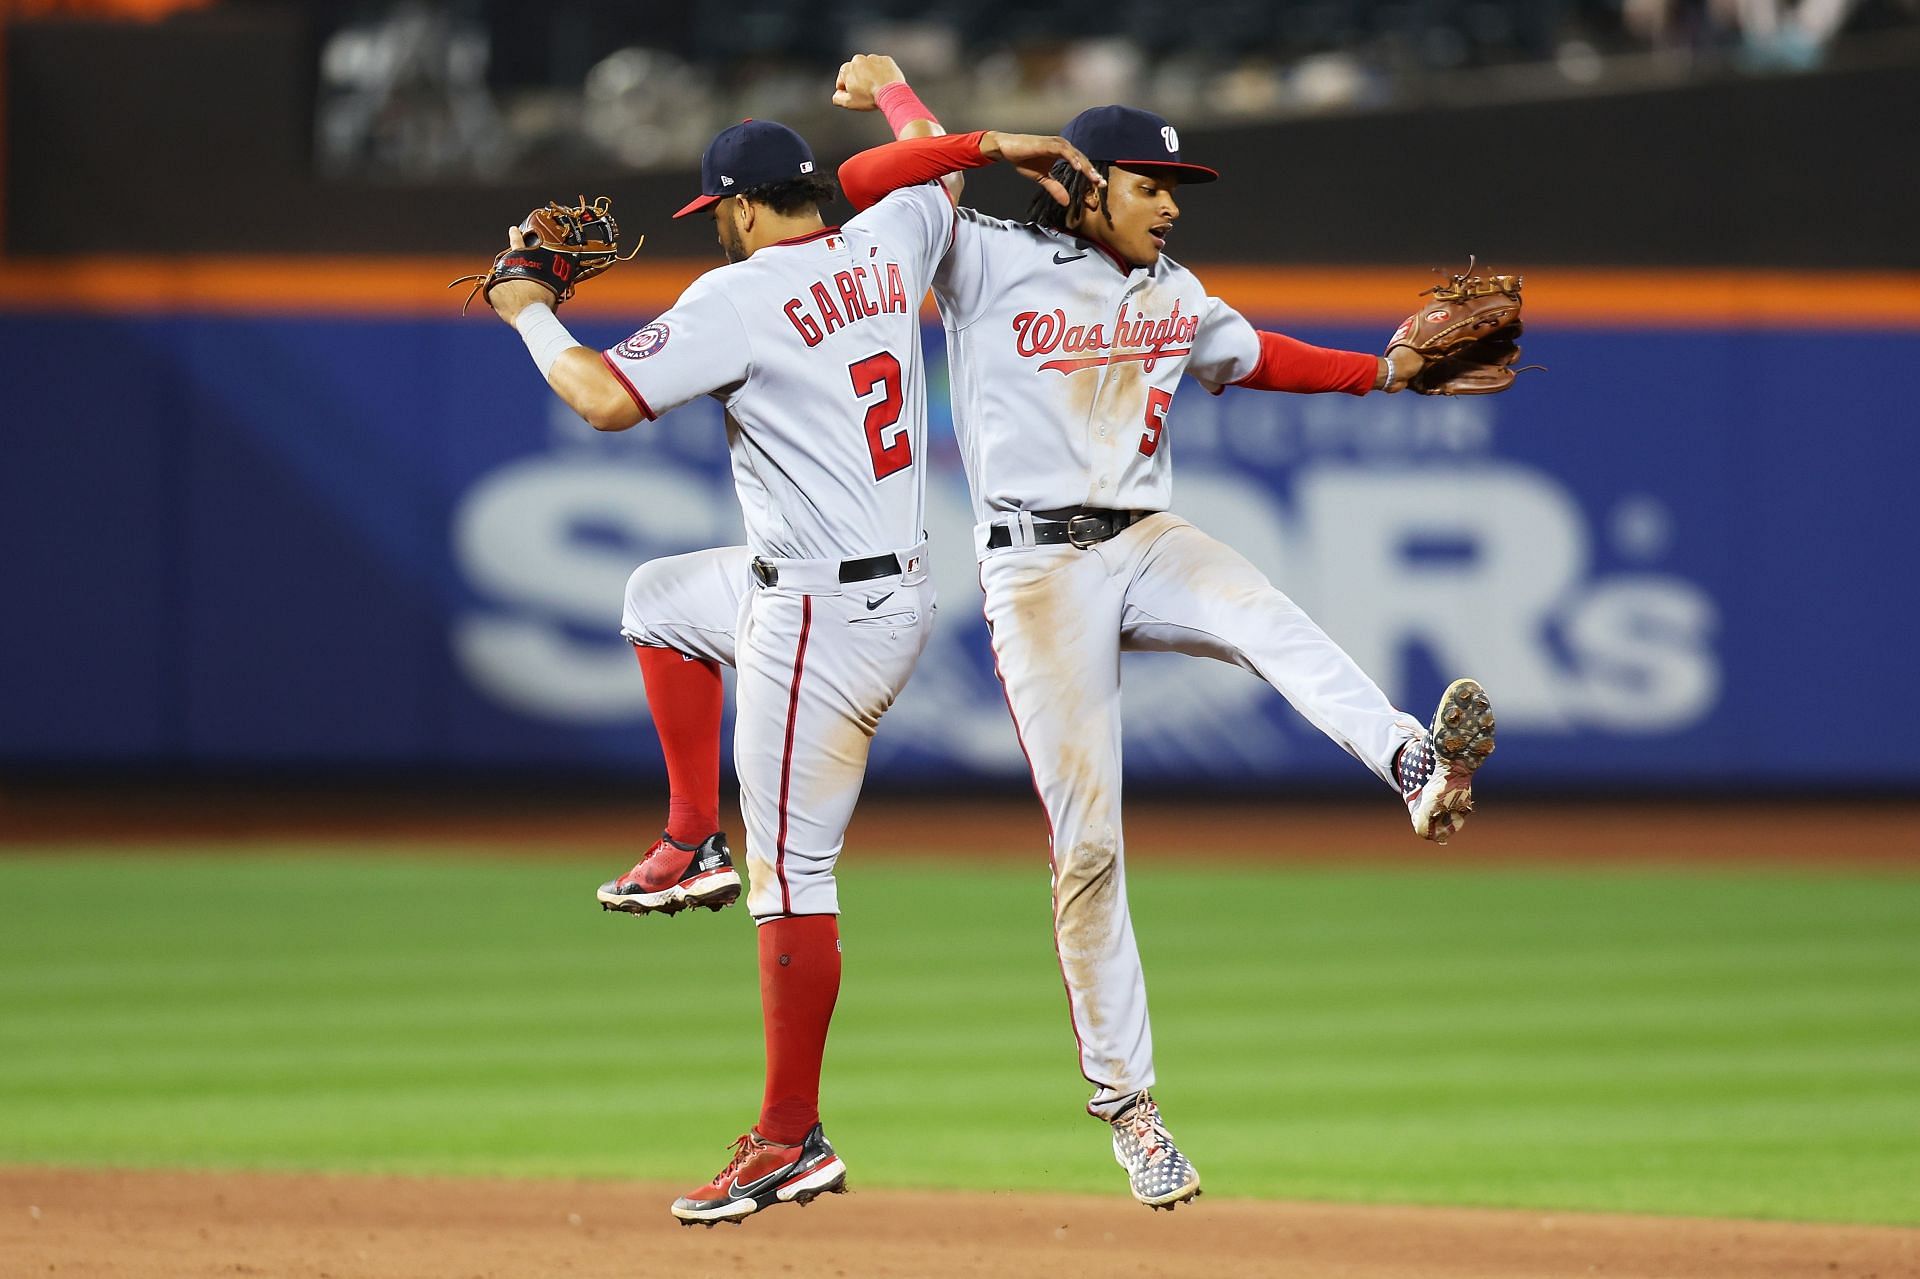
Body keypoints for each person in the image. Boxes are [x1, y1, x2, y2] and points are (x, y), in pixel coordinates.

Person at [828, 55, 1497, 1210]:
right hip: (1035, 571)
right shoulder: (979, 254)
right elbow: (868, 176)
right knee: (1087, 845)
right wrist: (950, 121)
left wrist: (1386, 371)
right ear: (1085, 185)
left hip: (1143, 535)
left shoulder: (1174, 290)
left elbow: (1262, 355)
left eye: (1177, 186)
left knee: (1268, 617)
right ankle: (1130, 1108)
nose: (1176, 204)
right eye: (1153, 184)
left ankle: (1411, 761)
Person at [483, 116, 1097, 1225]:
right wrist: (945, 122)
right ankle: (687, 838)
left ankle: (786, 1138)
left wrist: (527, 310)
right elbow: (931, 178)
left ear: (749, 207)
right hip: (874, 584)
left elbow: (602, 400)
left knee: (795, 879)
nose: (718, 230)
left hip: (818, 612)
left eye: (718, 211)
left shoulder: (740, 294)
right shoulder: (892, 234)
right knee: (659, 600)